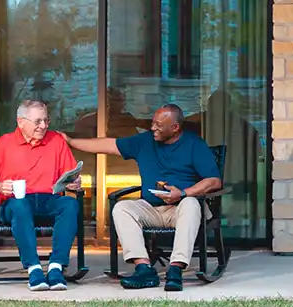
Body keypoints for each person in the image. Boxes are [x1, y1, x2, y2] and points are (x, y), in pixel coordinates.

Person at [65, 103, 223, 291]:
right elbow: (108, 144)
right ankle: (144, 268)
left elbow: (214, 181)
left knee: (190, 203)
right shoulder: (145, 141)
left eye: (158, 125)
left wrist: (182, 193)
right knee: (122, 208)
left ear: (175, 128)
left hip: (183, 208)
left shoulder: (194, 144)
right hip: (152, 208)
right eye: (153, 123)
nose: (152, 127)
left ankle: (176, 269)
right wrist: (71, 141)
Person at [0, 100, 81, 292]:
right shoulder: (3, 144)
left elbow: (71, 176)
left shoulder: (56, 141)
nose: (44, 126)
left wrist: (74, 183)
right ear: (21, 122)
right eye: (38, 121)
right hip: (15, 204)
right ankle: (34, 268)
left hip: (48, 200)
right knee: (20, 206)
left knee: (70, 205)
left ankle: (56, 267)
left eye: (46, 120)